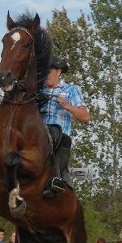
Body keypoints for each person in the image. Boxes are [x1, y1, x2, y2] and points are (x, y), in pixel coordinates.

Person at [39, 57, 90, 197]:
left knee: (65, 139)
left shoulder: (71, 90)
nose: (45, 75)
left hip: (59, 136)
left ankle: (57, 179)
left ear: (58, 72)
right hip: (38, 133)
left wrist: (66, 105)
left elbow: (85, 117)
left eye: (48, 71)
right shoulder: (38, 89)